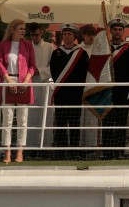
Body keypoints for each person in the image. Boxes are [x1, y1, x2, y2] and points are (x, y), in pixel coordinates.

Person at [0, 19, 37, 164]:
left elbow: (32, 66)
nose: (23, 31)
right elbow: (0, 63)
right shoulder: (3, 44)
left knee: (22, 119)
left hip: (24, 83)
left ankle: (20, 152)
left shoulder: (28, 45)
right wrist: (8, 79)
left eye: (24, 29)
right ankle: (7, 152)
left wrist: (25, 82)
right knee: (7, 119)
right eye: (20, 29)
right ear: (12, 30)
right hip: (7, 82)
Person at [49, 23, 89, 160]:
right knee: (60, 122)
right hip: (61, 93)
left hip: (75, 93)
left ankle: (74, 151)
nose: (66, 37)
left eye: (69, 34)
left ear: (75, 36)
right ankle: (60, 152)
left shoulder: (81, 53)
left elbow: (84, 73)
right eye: (64, 34)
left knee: (74, 123)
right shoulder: (56, 53)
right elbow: (53, 72)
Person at [101, 18, 129, 159]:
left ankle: (119, 152)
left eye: (120, 29)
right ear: (110, 31)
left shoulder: (128, 49)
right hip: (107, 90)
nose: (117, 31)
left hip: (123, 91)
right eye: (115, 29)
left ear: (123, 32)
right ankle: (107, 152)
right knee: (107, 122)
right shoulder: (104, 48)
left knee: (121, 122)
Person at [25, 22, 54, 155]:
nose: (35, 37)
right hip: (30, 82)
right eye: (32, 35)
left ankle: (46, 146)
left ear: (41, 32)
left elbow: (54, 67)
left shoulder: (49, 47)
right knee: (30, 115)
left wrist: (41, 71)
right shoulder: (26, 46)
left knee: (47, 114)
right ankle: (30, 146)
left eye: (37, 34)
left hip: (45, 83)